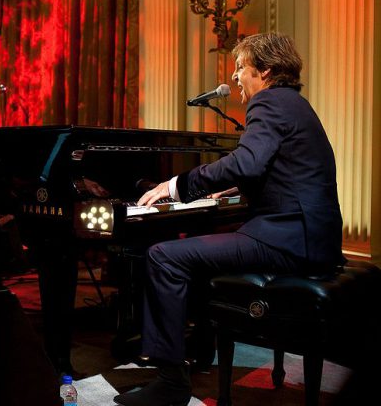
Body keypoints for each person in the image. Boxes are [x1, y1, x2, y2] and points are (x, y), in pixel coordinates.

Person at [114, 33, 343, 406]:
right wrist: (230, 190)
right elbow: (275, 170)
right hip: (311, 237)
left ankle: (170, 382)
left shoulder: (268, 102)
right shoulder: (294, 104)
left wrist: (176, 185)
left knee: (163, 256)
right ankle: (201, 348)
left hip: (287, 240)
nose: (235, 77)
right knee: (194, 256)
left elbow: (248, 161)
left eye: (240, 67)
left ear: (266, 70)